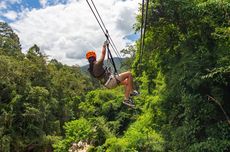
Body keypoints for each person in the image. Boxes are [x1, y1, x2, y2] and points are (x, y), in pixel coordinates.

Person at [86, 41, 139, 107]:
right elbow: (103, 54)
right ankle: (129, 95)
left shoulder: (91, 69)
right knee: (129, 74)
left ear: (88, 59)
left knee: (127, 82)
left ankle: (128, 96)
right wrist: (104, 46)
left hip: (108, 84)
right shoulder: (97, 64)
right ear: (94, 57)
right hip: (111, 81)